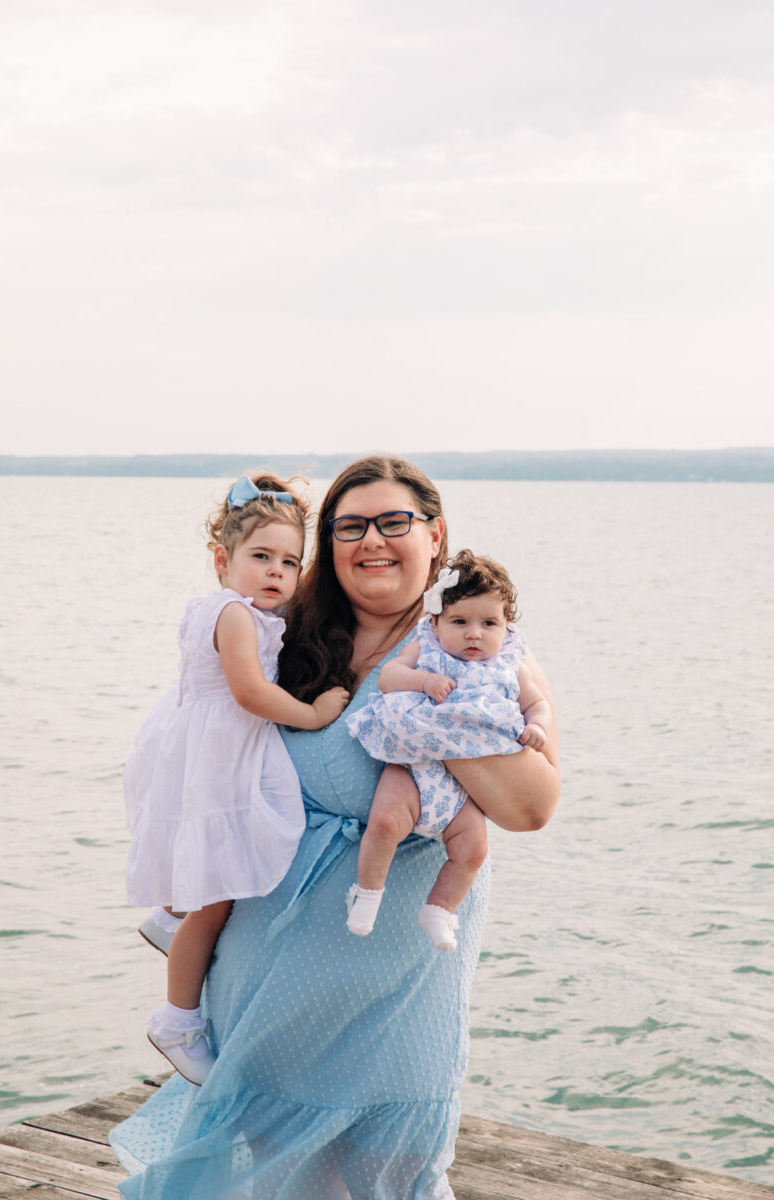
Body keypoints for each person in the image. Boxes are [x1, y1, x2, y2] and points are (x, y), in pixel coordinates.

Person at [110, 455, 559, 1200]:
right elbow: (197, 745)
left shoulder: (474, 644)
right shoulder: (283, 632)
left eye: (394, 522)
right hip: (266, 968)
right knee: (280, 1175)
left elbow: (532, 808)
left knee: (390, 1174)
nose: (372, 540)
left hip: (399, 985)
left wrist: (430, 709)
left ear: (435, 536)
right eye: (350, 527)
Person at [123, 471, 349, 1085]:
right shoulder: (236, 616)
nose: (276, 572)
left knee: (210, 879)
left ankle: (170, 917)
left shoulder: (226, 608)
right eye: (261, 557)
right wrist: (313, 714)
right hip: (219, 757)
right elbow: (250, 692)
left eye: (290, 562)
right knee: (219, 892)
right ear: (222, 559)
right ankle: (177, 1019)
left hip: (199, 749)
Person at [344, 548, 551, 952]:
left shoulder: (511, 664)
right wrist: (423, 681)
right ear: (435, 622)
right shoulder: (426, 648)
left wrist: (537, 726)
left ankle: (439, 910)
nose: (474, 634)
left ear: (507, 626)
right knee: (384, 822)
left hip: (462, 789)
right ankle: (367, 894)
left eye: (489, 623)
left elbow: (536, 703)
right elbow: (389, 677)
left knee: (473, 851)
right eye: (459, 622)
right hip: (415, 765)